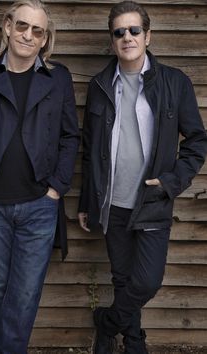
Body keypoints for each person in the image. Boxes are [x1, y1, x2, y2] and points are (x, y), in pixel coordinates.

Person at [78, 1, 207, 353]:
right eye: (120, 32)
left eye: (135, 30)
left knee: (147, 281)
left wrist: (171, 182)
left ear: (148, 36)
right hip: (113, 200)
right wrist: (88, 200)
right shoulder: (101, 85)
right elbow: (90, 150)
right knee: (122, 278)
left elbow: (197, 141)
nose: (127, 37)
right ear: (112, 40)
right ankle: (134, 341)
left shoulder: (174, 83)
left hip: (151, 200)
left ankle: (107, 322)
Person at [0, 0, 79, 353]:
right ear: (7, 27)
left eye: (37, 30)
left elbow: (69, 136)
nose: (28, 35)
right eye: (22, 26)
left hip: (38, 205)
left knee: (24, 294)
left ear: (45, 39)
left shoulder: (58, 78)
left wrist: (56, 188)